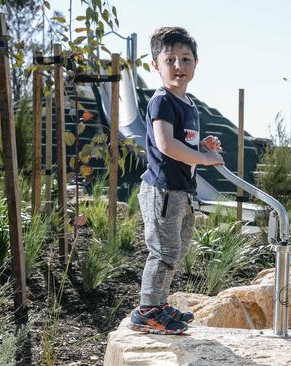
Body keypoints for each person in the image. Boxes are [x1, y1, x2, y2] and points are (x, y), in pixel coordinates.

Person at [128, 26, 224, 335]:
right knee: (164, 251)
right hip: (163, 190)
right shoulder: (163, 102)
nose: (178, 67)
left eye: (185, 59)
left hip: (182, 191)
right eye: (170, 60)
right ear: (156, 65)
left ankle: (159, 302)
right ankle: (147, 310)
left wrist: (202, 148)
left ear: (196, 64)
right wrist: (206, 159)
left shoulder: (189, 105)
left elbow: (183, 146)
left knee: (178, 249)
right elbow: (167, 145)